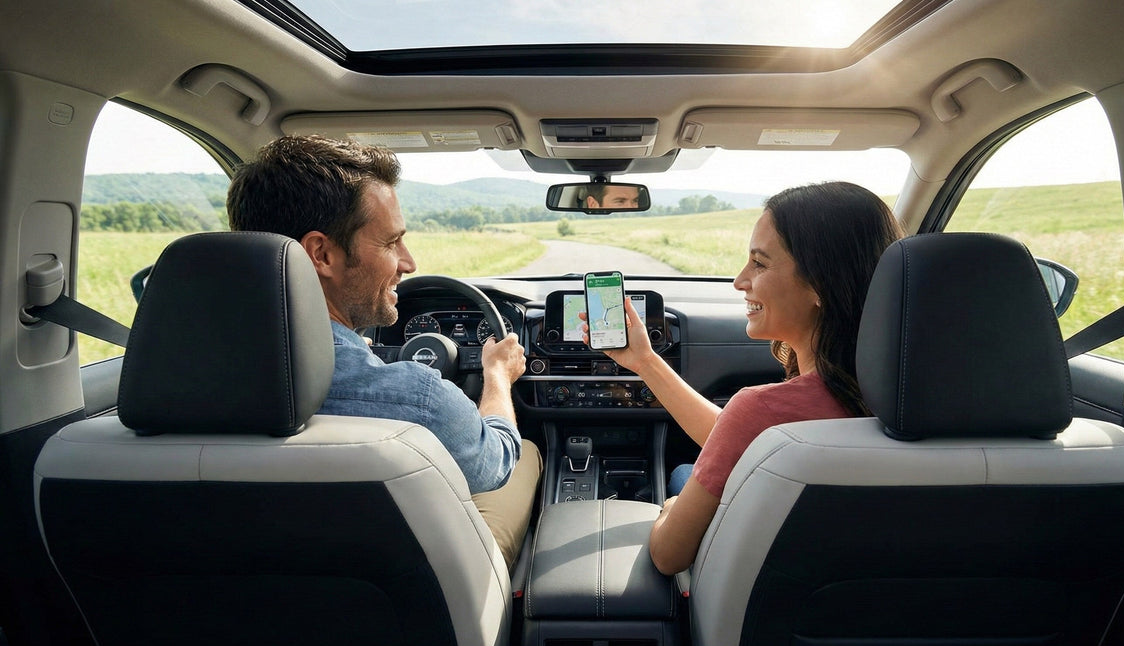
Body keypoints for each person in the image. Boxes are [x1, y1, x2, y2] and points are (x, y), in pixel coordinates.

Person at [226, 134, 541, 570]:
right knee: (525, 450)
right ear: (321, 254)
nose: (408, 263)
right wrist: (498, 379)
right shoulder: (413, 397)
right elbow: (495, 462)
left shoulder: (170, 381)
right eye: (392, 242)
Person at [585, 182, 902, 575]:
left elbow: (668, 557)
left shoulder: (763, 409)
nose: (739, 280)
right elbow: (739, 439)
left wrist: (668, 509)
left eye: (760, 263)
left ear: (821, 284)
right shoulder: (926, 403)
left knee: (681, 478)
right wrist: (646, 362)